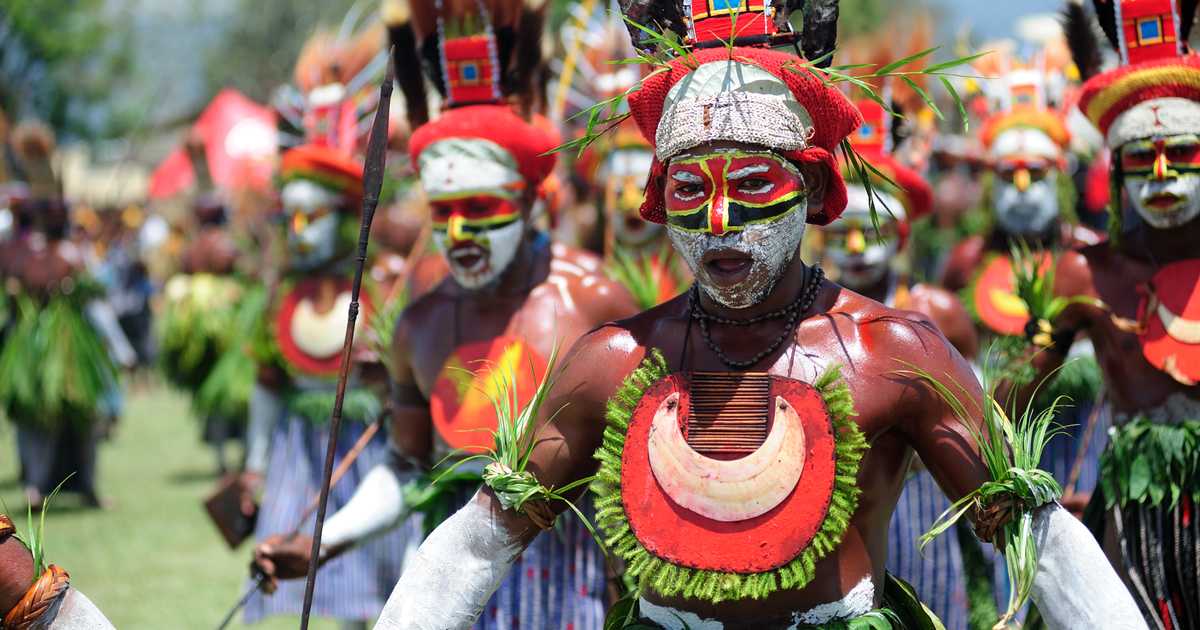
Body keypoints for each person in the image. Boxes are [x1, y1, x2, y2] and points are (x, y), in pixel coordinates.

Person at [369, 2, 1145, 629]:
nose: (718, 219)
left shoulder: (890, 354)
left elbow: (1034, 537)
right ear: (654, 202)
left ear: (812, 193)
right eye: (687, 191)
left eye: (748, 183)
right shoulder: (613, 362)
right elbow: (476, 546)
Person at [253, 0, 638, 628]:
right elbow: (406, 463)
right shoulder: (421, 324)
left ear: (527, 198)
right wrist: (325, 541)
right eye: (443, 210)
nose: (459, 232)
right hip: (444, 577)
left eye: (481, 206)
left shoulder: (592, 299)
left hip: (571, 578)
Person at [1015, 1, 1200, 626]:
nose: (1163, 174)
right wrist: (1048, 321)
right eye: (1142, 158)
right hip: (1132, 516)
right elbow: (1010, 401)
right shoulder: (1084, 274)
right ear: (1117, 168)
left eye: (1181, 152)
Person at [237, 16, 412, 630]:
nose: (303, 232)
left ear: (347, 213)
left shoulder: (387, 286)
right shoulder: (279, 300)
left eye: (317, 217)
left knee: (381, 584)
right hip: (296, 454)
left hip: (370, 451)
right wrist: (256, 466)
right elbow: (266, 383)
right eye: (295, 218)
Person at [821, 98, 980, 630]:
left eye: (876, 231)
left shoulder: (936, 314)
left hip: (923, 505)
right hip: (839, 512)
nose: (861, 248)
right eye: (845, 235)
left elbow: (976, 417)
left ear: (903, 234)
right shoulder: (803, 322)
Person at [0, 122, 134, 509]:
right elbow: (96, 308)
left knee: (68, 419)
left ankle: (66, 486)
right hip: (37, 348)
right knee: (43, 417)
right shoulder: (47, 255)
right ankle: (40, 486)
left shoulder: (23, 254)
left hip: (56, 348)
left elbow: (94, 307)